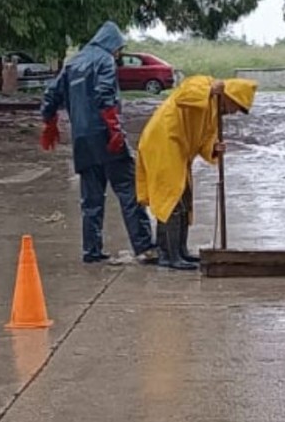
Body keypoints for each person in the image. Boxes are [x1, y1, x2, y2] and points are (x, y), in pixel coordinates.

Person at [40, 21, 156, 263]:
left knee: (91, 199)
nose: (119, 54)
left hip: (82, 140)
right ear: (112, 44)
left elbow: (51, 94)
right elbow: (105, 95)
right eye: (119, 49)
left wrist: (49, 121)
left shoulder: (72, 63)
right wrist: (114, 129)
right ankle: (144, 247)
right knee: (129, 191)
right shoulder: (105, 61)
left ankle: (91, 251)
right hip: (105, 135)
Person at [136, 75, 255, 270]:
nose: (234, 112)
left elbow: (205, 139)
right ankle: (169, 255)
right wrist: (210, 90)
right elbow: (183, 95)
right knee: (171, 200)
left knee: (184, 200)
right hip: (163, 143)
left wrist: (214, 148)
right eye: (236, 107)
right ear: (230, 97)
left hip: (178, 151)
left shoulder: (214, 113)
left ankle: (180, 251)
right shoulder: (203, 84)